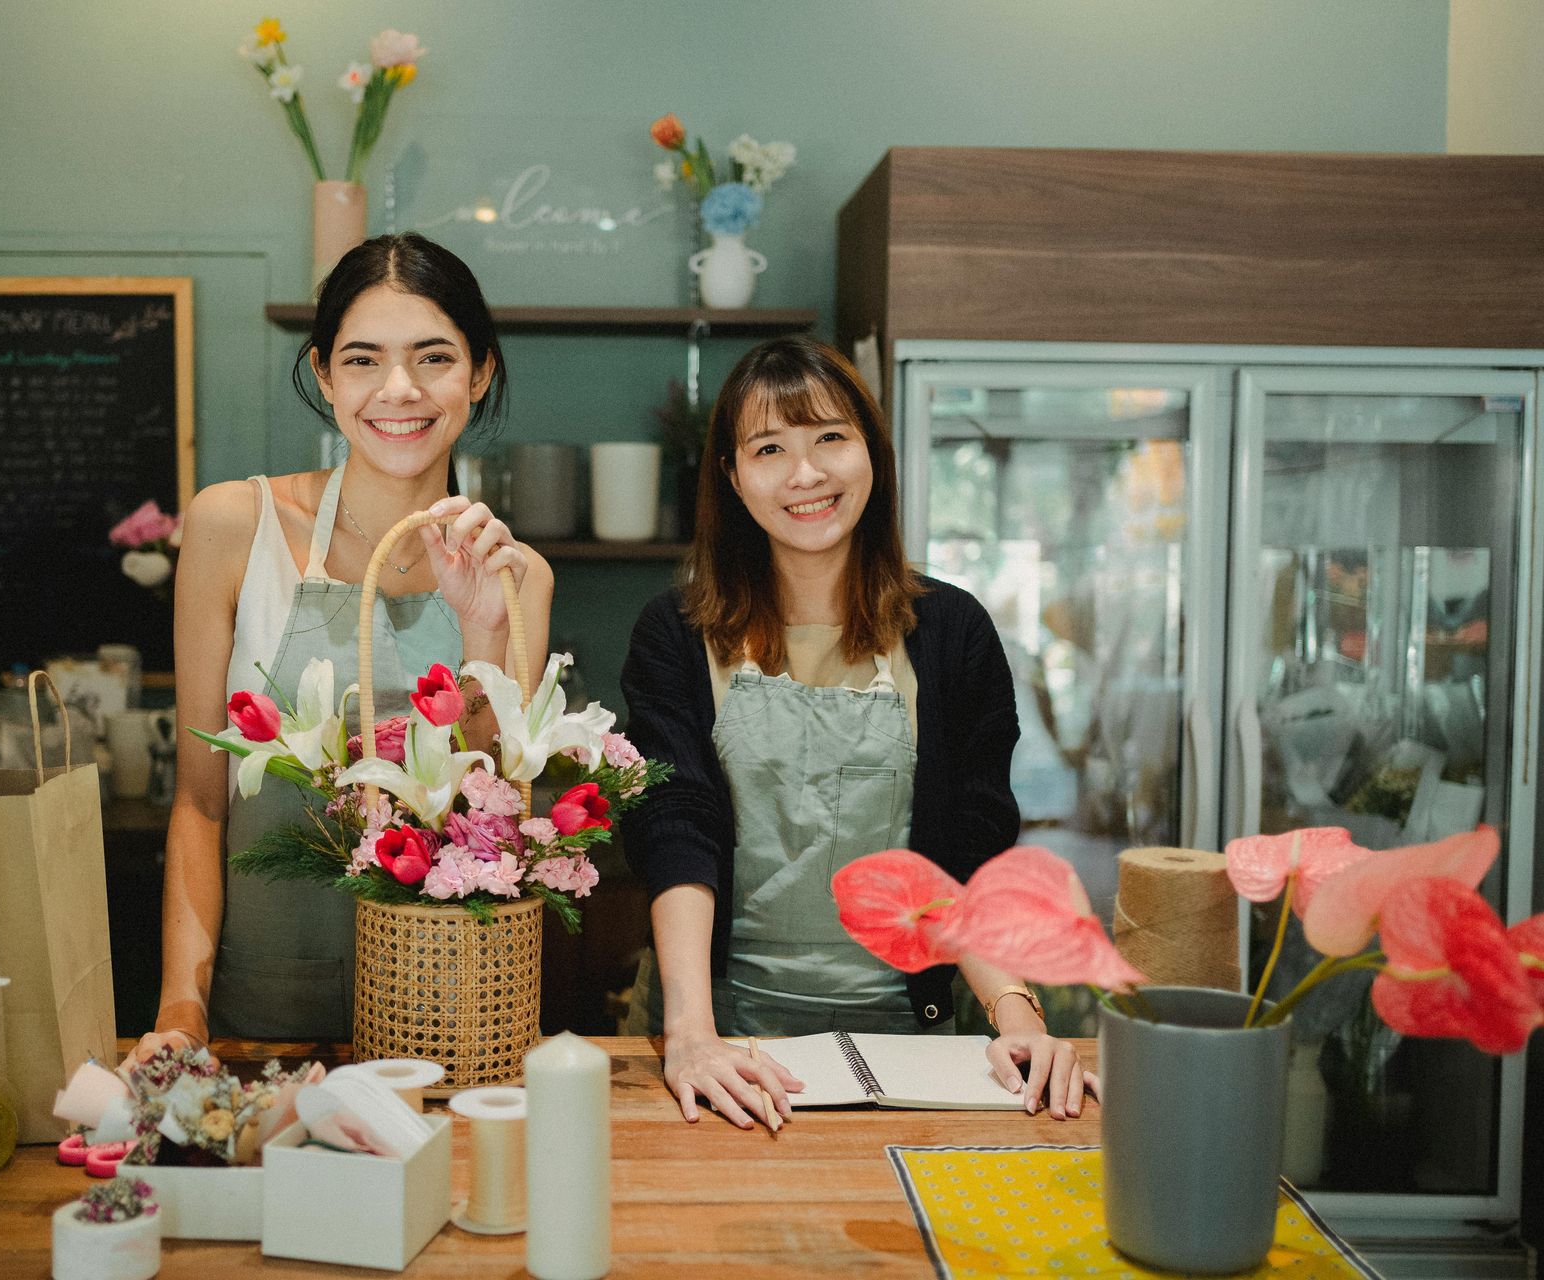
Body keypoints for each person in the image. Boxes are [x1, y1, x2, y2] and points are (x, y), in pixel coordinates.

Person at [619, 336, 1091, 1127]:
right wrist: (692, 1036)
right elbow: (676, 828)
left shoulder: (952, 632)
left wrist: (1020, 1018)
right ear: (733, 478)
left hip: (920, 1041)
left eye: (830, 438)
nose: (806, 475)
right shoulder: (675, 631)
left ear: (871, 450)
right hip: (719, 1037)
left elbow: (969, 853)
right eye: (770, 449)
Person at [129, 233, 553, 1061]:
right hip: (261, 1019)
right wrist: (182, 1014)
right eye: (363, 360)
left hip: (446, 1023)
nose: (399, 389)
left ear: (480, 373)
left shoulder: (517, 579)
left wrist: (481, 633)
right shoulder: (234, 525)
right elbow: (201, 803)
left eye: (434, 357)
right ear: (324, 375)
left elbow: (490, 834)